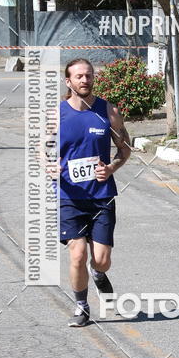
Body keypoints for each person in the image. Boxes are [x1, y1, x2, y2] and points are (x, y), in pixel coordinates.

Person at [54, 58, 131, 327]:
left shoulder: (108, 111)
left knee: (101, 260)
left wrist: (110, 168)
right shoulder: (56, 114)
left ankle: (98, 275)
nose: (85, 80)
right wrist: (47, 165)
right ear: (69, 81)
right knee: (77, 255)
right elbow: (41, 148)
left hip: (101, 196)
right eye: (79, 76)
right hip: (69, 196)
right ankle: (81, 306)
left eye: (88, 75)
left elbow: (125, 149)